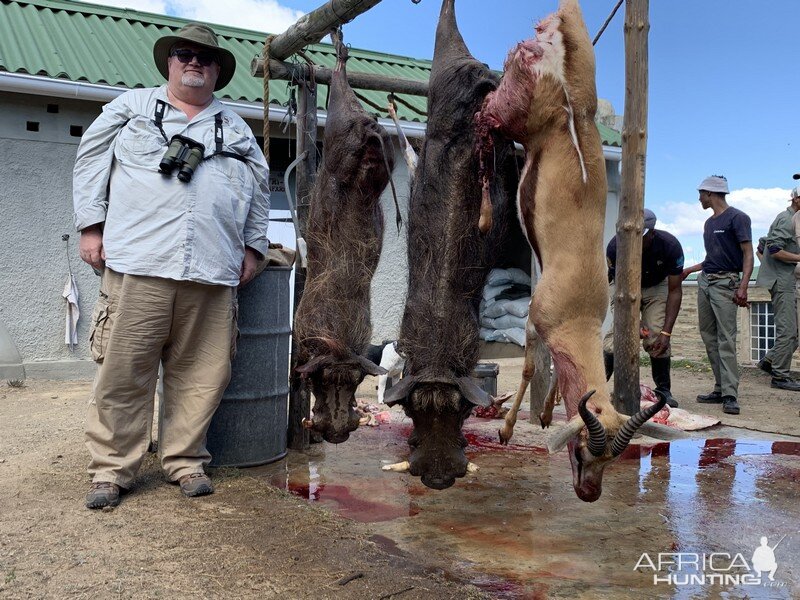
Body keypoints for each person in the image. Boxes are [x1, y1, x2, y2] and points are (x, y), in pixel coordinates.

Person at [73, 23, 270, 509]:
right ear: (169, 63)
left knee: (202, 375)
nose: (194, 62)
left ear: (218, 70)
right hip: (139, 262)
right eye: (184, 54)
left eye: (205, 57)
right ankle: (112, 471)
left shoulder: (236, 127)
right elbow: (90, 161)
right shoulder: (130, 108)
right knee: (123, 372)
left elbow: (260, 190)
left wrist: (254, 245)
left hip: (211, 270)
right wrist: (91, 224)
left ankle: (184, 462)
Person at [682, 176, 753, 415]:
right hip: (706, 282)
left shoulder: (738, 218)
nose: (699, 198)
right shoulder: (708, 224)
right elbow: (712, 258)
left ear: (711, 194)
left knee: (726, 339)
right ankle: (720, 387)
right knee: (709, 337)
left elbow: (747, 254)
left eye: (701, 194)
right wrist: (690, 271)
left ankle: (731, 394)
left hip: (726, 283)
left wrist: (743, 286)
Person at [603, 209, 684, 407]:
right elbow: (618, 288)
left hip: (656, 287)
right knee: (616, 338)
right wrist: (632, 320)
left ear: (652, 233)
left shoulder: (671, 246)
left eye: (641, 236)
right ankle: (597, 386)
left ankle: (663, 390)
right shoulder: (615, 246)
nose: (635, 241)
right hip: (623, 286)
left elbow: (674, 291)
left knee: (655, 336)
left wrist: (667, 332)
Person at [754, 187, 800, 390]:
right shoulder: (786, 219)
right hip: (782, 283)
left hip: (786, 280)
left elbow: (763, 245)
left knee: (795, 331)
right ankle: (780, 376)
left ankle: (770, 361)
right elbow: (774, 250)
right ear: (797, 199)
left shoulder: (794, 220)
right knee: (788, 331)